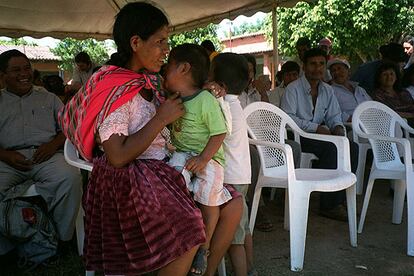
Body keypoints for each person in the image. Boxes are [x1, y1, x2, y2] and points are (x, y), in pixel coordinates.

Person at [59, 3, 242, 276]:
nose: (167, 50)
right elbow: (117, 156)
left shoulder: (152, 80)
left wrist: (201, 87)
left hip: (164, 163)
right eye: (160, 42)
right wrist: (160, 119)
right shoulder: (114, 86)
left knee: (233, 206)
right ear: (136, 42)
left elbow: (183, 88)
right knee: (189, 224)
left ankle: (206, 272)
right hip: (131, 175)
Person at [0, 49, 82, 254]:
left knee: (70, 177)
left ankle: (62, 239)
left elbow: (70, 128)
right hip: (7, 160)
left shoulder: (49, 98)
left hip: (46, 156)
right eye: (16, 70)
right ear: (2, 76)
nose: (24, 74)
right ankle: (10, 238)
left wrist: (53, 145)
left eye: (27, 68)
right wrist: (5, 155)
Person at [164, 43, 232, 275]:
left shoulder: (205, 99)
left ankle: (204, 247)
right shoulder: (173, 96)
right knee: (173, 178)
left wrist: (204, 158)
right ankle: (181, 235)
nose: (164, 70)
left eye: (168, 66)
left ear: (183, 69)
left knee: (209, 200)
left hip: (210, 158)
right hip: (183, 154)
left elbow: (220, 132)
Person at [281, 48, 358, 221]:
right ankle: (329, 205)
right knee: (331, 149)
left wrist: (338, 127)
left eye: (321, 64)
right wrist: (315, 127)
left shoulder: (327, 90)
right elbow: (288, 119)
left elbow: (334, 116)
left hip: (318, 135)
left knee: (351, 147)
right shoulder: (293, 89)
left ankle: (342, 198)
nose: (317, 68)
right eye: (313, 64)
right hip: (297, 136)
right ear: (304, 66)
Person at [210, 52, 256, 276]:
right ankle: (250, 268)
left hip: (230, 178)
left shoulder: (223, 105)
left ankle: (242, 272)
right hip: (241, 176)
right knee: (243, 228)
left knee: (234, 239)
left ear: (220, 85)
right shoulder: (236, 103)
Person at [328, 58, 371, 123]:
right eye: (333, 71)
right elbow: (331, 113)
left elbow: (372, 105)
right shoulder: (330, 90)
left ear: (348, 71)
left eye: (339, 69)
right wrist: (354, 119)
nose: (336, 72)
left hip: (371, 123)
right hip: (350, 126)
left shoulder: (360, 89)